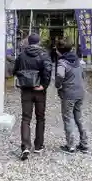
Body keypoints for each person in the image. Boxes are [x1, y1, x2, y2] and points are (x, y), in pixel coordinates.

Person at [13, 33, 53, 161]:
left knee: (26, 118)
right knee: (40, 118)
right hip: (39, 90)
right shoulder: (44, 55)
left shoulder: (21, 55)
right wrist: (44, 85)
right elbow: (48, 70)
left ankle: (25, 146)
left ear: (28, 42)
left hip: (26, 90)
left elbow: (15, 70)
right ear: (38, 42)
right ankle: (38, 146)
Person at [55, 38, 89, 153]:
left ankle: (70, 146)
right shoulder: (78, 60)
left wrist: (58, 85)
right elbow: (83, 75)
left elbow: (59, 75)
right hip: (80, 93)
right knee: (79, 118)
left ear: (59, 50)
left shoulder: (62, 62)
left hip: (68, 94)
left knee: (68, 118)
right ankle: (84, 144)